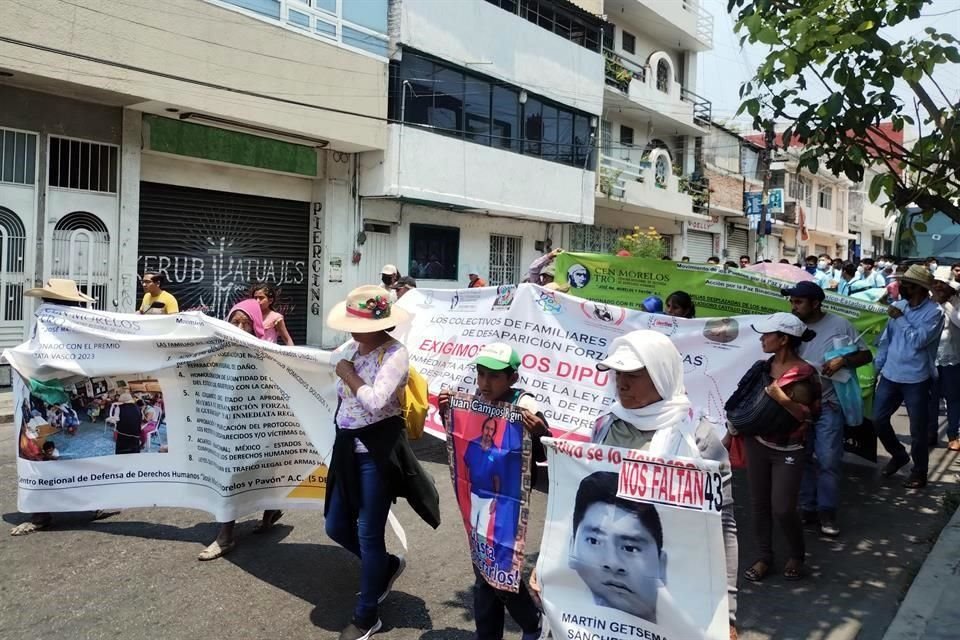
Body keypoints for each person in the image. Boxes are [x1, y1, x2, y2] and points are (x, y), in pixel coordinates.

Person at [586, 330, 738, 638]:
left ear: (661, 374)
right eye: (617, 374)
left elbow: (723, 528)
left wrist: (728, 613)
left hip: (674, 591)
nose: (621, 383)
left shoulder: (698, 438)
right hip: (603, 592)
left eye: (633, 374)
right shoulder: (605, 425)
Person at [326, 285, 440, 640]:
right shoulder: (349, 348)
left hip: (377, 453)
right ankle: (387, 567)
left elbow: (376, 402)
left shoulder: (395, 354)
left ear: (379, 325)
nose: (349, 329)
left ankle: (366, 616)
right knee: (334, 525)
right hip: (346, 448)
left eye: (355, 322)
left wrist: (348, 374)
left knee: (369, 534)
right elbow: (326, 364)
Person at [438, 343, 550, 640]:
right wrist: (445, 410)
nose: (485, 383)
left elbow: (545, 450)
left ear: (512, 379)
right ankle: (499, 630)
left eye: (494, 377)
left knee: (499, 570)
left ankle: (531, 621)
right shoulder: (475, 399)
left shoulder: (525, 405)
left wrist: (539, 430)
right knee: (484, 569)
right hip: (476, 495)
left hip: (506, 504)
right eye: (481, 374)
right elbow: (459, 436)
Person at [12, 279, 116, 536]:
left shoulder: (57, 320)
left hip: (51, 394)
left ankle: (51, 512)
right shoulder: (50, 321)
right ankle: (45, 512)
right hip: (47, 394)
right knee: (47, 455)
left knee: (48, 455)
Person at [733, 313, 820, 584]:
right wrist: (731, 432)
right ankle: (764, 557)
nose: (762, 339)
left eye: (767, 335)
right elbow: (744, 403)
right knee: (759, 505)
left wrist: (782, 399)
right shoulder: (762, 368)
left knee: (782, 507)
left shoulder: (806, 374)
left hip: (790, 448)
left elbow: (809, 416)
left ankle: (797, 554)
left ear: (783, 340)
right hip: (757, 442)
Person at [782, 281, 873, 537]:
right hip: (797, 407)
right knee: (801, 459)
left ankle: (827, 513)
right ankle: (807, 509)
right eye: (792, 301)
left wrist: (843, 359)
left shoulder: (840, 324)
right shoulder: (790, 326)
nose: (793, 307)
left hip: (829, 404)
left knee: (827, 460)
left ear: (816, 303)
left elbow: (865, 356)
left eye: (798, 302)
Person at [198, 299, 284, 561]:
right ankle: (226, 535)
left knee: (261, 470)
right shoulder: (220, 349)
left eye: (244, 323)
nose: (238, 327)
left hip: (257, 423)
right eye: (234, 321)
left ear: (254, 325)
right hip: (228, 425)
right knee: (230, 474)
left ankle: (269, 511)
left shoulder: (263, 351)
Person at [873, 265, 944, 489]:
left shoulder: (934, 312)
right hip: (890, 374)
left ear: (920, 289)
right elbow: (887, 340)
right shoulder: (898, 306)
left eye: (907, 285)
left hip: (916, 378)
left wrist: (902, 318)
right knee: (878, 420)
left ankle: (919, 472)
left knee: (918, 430)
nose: (901, 287)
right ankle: (898, 455)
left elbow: (918, 341)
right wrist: (878, 367)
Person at [928, 278, 960, 451]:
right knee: (931, 399)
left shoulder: (956, 303)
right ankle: (931, 433)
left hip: (953, 359)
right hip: (931, 358)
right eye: (935, 283)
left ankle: (953, 435)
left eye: (942, 284)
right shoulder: (928, 303)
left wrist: (944, 304)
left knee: (953, 398)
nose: (938, 287)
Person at [464, 417, 503, 537]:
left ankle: (481, 555)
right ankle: (475, 553)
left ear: (494, 433)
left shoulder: (496, 453)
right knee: (471, 527)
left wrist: (496, 499)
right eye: (487, 428)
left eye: (491, 430)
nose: (488, 432)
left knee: (481, 532)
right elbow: (466, 467)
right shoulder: (472, 445)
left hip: (488, 498)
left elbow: (497, 478)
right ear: (482, 429)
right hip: (473, 494)